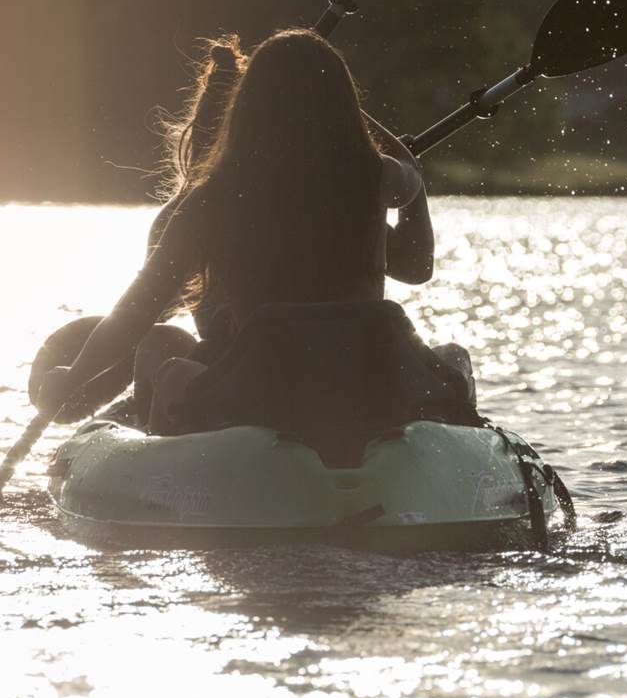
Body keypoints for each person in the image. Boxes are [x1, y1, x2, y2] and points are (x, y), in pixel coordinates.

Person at [31, 28, 463, 431]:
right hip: (364, 381)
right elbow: (417, 257)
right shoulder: (378, 177)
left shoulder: (211, 200)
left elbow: (136, 313)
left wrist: (73, 376)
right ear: (345, 109)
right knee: (454, 359)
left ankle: (156, 451)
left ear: (245, 111)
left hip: (265, 389)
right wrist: (410, 172)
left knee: (161, 356)